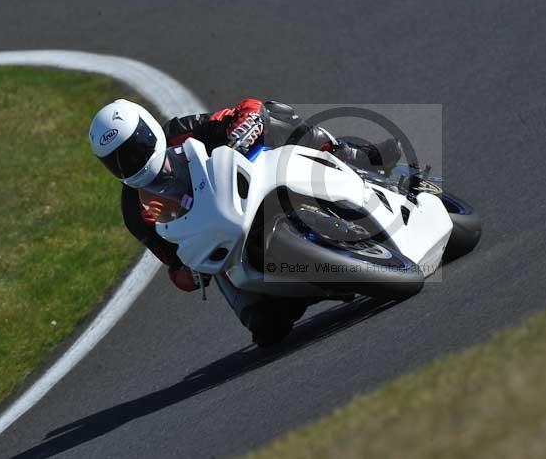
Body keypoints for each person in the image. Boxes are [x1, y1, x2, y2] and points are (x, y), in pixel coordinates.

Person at [89, 98, 400, 344]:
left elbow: (245, 109)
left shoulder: (182, 131)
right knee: (266, 329)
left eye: (135, 148)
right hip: (226, 243)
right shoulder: (135, 211)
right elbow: (174, 266)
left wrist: (245, 124)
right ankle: (295, 289)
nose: (130, 162)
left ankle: (349, 154)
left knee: (274, 114)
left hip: (254, 187)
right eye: (117, 161)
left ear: (150, 130)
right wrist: (189, 272)